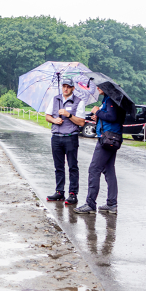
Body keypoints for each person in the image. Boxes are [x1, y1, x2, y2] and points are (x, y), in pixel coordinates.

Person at [74, 87, 126, 215]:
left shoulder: (111, 100)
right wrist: (99, 119)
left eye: (99, 86)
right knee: (109, 170)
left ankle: (90, 204)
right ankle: (111, 204)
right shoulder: (110, 99)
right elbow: (110, 118)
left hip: (106, 140)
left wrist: (97, 112)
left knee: (94, 169)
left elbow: (112, 117)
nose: (97, 88)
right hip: (112, 139)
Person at [45, 78, 86, 206]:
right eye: (64, 86)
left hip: (70, 137)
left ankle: (73, 193)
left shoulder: (79, 102)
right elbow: (47, 116)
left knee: (72, 166)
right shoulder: (55, 99)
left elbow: (81, 122)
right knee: (58, 166)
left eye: (68, 86)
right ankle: (59, 192)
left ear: (73, 88)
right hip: (56, 136)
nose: (66, 89)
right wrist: (54, 120)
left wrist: (68, 115)